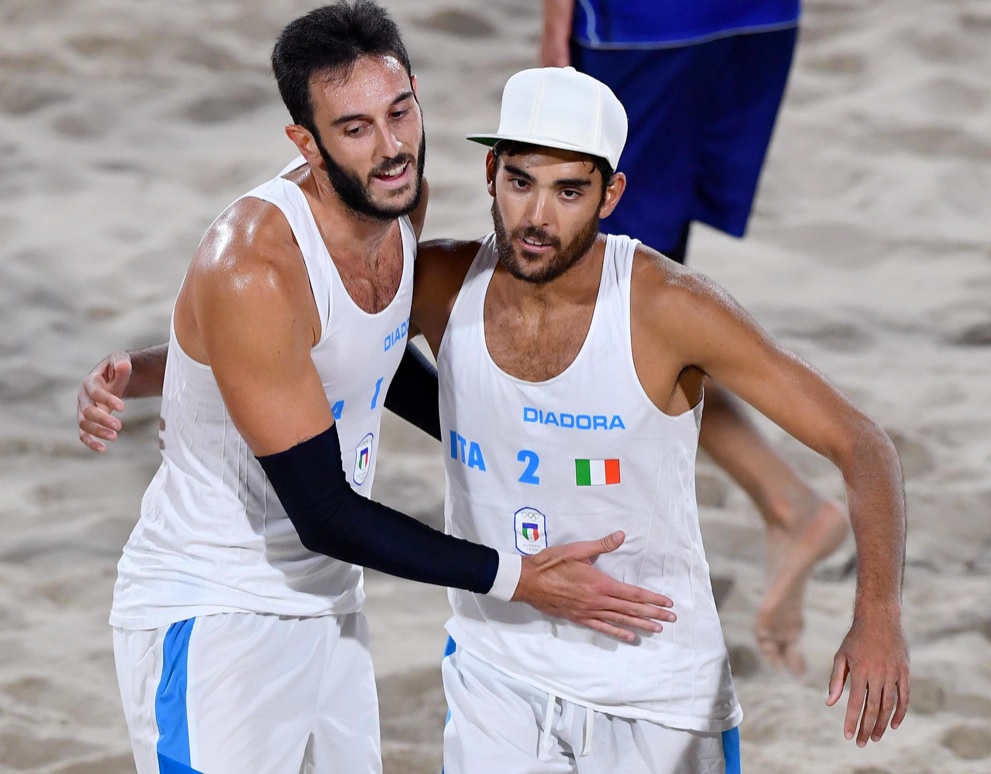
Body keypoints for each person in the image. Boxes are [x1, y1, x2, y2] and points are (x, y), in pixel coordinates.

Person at [77, 6, 674, 773]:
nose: (391, 147)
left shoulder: (398, 201)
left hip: (331, 601)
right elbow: (326, 513)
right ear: (306, 143)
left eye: (400, 112)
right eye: (355, 128)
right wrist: (520, 578)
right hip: (216, 608)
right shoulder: (254, 265)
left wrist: (515, 437)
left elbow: (363, 356)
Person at [404, 67, 908, 772]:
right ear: (491, 174)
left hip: (657, 694)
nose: (538, 217)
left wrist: (877, 617)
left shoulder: (670, 307)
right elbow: (332, 336)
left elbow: (863, 445)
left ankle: (788, 512)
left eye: (569, 191)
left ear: (610, 195)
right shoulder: (438, 284)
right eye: (520, 182)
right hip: (494, 676)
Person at [540, 0, 845, 674]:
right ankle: (785, 501)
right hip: (757, 20)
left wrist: (556, 19)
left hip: (649, 28)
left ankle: (786, 500)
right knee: (627, 294)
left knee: (601, 292)